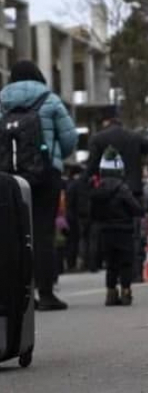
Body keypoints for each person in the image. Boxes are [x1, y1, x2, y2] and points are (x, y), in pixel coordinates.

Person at [0, 60, 78, 311]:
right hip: (46, 175)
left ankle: (18, 295)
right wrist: (53, 156)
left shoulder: (2, 101)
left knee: (12, 233)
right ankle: (46, 294)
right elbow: (69, 139)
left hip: (10, 177)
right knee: (43, 233)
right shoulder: (50, 99)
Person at [90, 147, 144, 306]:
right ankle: (126, 292)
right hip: (124, 231)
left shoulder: (97, 190)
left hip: (105, 232)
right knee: (126, 263)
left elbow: (92, 213)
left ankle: (110, 293)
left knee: (111, 264)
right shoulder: (123, 189)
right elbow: (136, 209)